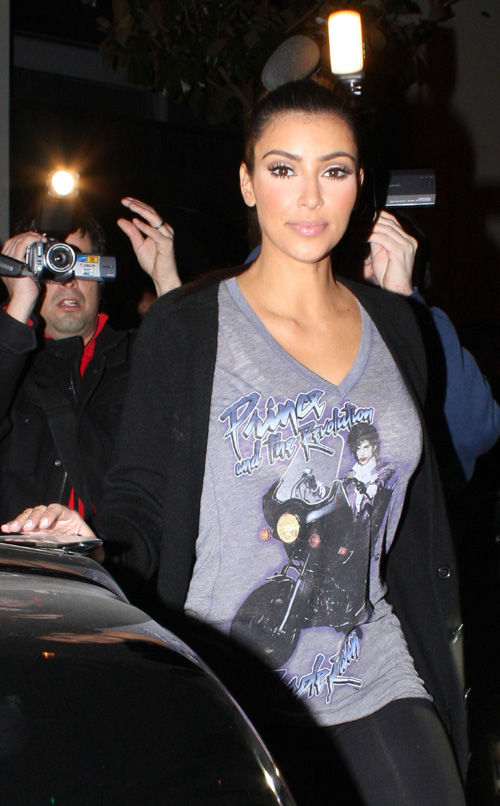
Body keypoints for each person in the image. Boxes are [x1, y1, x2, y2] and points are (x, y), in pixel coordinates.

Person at [3, 80, 499, 804]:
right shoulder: (188, 325)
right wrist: (96, 541)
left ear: (359, 184)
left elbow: (435, 479)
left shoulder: (397, 325)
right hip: (230, 684)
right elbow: (143, 496)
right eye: (282, 168)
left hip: (375, 670)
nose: (309, 196)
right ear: (247, 182)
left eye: (333, 170)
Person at [0, 197, 180, 523]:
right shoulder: (10, 363)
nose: (67, 279)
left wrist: (168, 284)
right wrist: (18, 302)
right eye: (53, 262)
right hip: (15, 554)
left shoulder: (141, 358)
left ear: (100, 274)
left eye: (78, 261)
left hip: (113, 553)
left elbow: (202, 406)